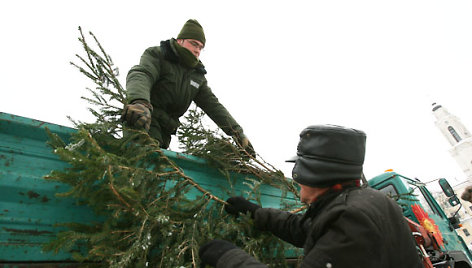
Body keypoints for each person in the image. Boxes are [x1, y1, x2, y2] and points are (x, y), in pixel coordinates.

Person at [198, 125, 423, 267]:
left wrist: (227, 257)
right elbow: (304, 229)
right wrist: (256, 212)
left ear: (315, 173)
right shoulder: (365, 201)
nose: (296, 181)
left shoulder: (351, 217)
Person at [121, 19, 254, 155]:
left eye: (200, 47)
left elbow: (213, 106)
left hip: (166, 131)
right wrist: (140, 102)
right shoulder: (158, 55)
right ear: (180, 41)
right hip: (144, 120)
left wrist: (237, 132)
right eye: (194, 44)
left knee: (159, 165)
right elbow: (142, 74)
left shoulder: (197, 76)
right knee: (145, 161)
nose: (197, 50)